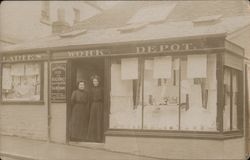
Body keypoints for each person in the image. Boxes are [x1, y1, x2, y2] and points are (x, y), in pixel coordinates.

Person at [87, 75, 103, 142]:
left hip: (99, 105)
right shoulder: (91, 89)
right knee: (92, 120)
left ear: (98, 82)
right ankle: (92, 138)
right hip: (93, 105)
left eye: (96, 81)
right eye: (94, 81)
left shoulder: (102, 89)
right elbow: (89, 98)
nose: (95, 82)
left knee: (98, 120)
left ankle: (99, 138)